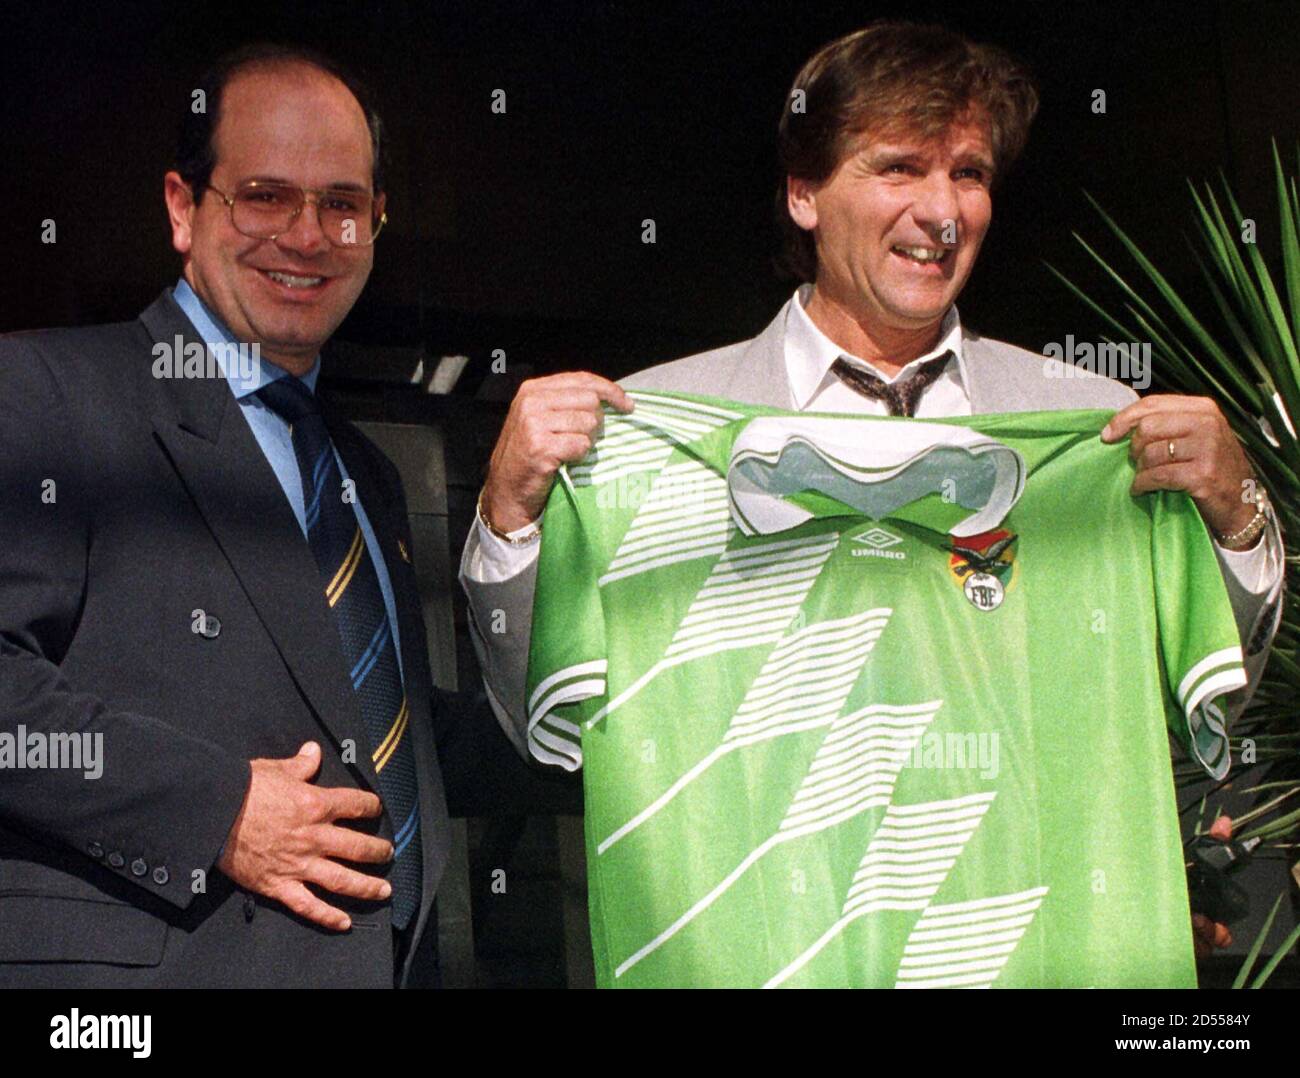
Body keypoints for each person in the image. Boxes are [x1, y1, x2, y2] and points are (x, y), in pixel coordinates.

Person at [461, 20, 1281, 878]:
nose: (941, 211)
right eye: (898, 166)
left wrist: (1236, 521)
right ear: (804, 194)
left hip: (1022, 922)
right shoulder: (654, 424)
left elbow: (1198, 701)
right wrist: (509, 521)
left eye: (968, 173)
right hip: (772, 933)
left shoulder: (1096, 425)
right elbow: (548, 729)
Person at [0, 44, 450, 988]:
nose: (307, 235)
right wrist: (217, 812)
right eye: (264, 196)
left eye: (341, 204)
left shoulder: (362, 471)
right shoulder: (42, 391)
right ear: (181, 207)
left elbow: (395, 736)